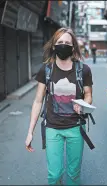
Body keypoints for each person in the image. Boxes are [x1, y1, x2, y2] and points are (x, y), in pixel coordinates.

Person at [25, 28, 93, 185]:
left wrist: (84, 104)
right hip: (52, 128)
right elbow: (37, 101)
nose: (64, 45)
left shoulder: (83, 70)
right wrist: (30, 132)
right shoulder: (46, 70)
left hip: (76, 128)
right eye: (60, 42)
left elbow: (88, 95)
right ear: (54, 46)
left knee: (74, 174)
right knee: (54, 175)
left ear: (73, 47)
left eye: (67, 43)